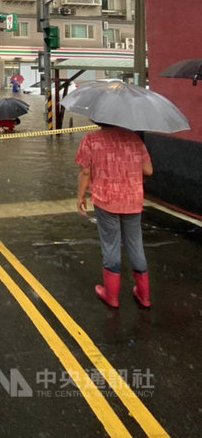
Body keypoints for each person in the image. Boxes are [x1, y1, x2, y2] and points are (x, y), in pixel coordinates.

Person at [75, 123, 153, 309]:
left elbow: (85, 171)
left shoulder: (91, 140)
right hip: (132, 200)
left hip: (106, 200)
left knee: (111, 244)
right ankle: (144, 296)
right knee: (135, 245)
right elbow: (148, 170)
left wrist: (80, 196)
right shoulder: (135, 139)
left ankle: (111, 295)